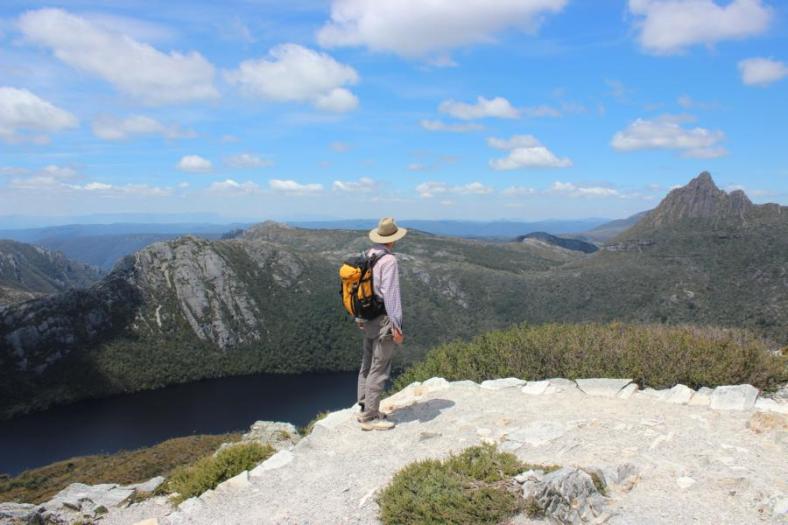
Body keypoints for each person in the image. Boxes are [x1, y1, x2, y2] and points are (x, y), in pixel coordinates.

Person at [356, 217, 406, 431]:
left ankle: (365, 407)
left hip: (366, 317)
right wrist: (397, 327)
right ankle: (369, 417)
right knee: (380, 367)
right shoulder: (389, 261)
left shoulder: (367, 255)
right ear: (392, 239)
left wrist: (358, 317)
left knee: (367, 364)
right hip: (384, 319)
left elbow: (357, 290)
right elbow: (392, 296)